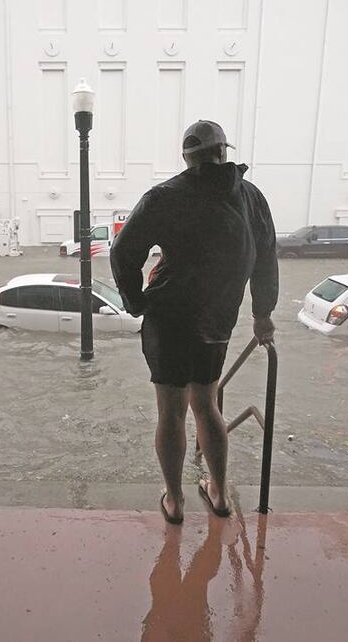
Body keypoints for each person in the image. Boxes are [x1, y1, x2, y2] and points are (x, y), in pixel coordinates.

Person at [110, 120, 278, 524]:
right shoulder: (251, 198)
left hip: (169, 317)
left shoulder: (165, 196)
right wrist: (262, 314)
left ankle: (175, 500)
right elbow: (266, 258)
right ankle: (219, 494)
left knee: (171, 411)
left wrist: (135, 302)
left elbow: (122, 251)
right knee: (207, 404)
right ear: (225, 152)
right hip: (217, 318)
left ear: (187, 158)